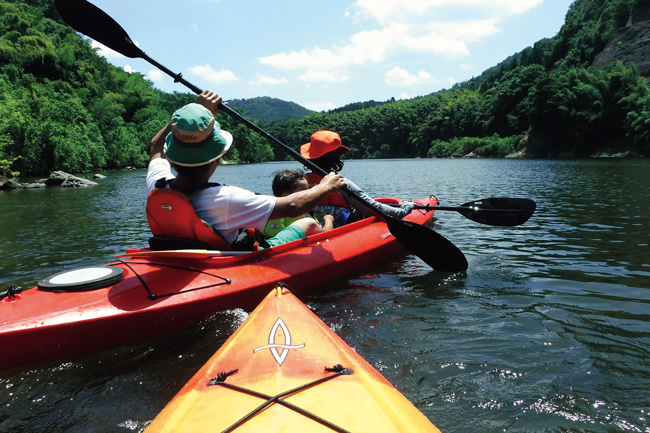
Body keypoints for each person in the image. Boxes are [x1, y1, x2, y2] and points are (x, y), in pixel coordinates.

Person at [146, 90, 346, 249]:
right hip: (238, 261)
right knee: (308, 223)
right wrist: (327, 186)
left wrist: (191, 113)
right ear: (215, 160)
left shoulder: (158, 185)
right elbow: (294, 206)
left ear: (172, 156)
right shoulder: (225, 198)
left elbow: (155, 146)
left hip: (189, 256)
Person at [300, 130, 414, 226]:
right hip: (344, 231)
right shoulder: (342, 184)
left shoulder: (301, 183)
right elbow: (373, 209)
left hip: (317, 229)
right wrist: (403, 211)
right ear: (337, 157)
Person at [260, 168, 334, 238]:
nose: (310, 193)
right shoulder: (304, 215)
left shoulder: (266, 215)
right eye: (304, 191)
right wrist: (328, 219)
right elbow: (325, 235)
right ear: (286, 196)